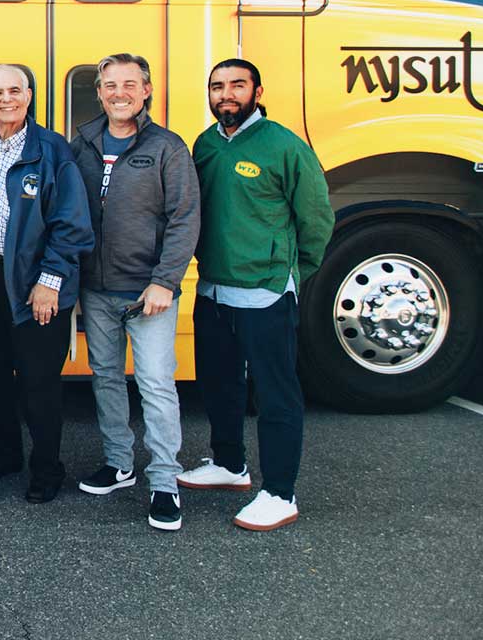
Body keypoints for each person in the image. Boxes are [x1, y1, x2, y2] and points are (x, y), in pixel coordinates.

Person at [179, 58, 334, 532]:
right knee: (219, 384)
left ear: (258, 91)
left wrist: (289, 272)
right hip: (214, 290)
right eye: (217, 86)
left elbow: (317, 220)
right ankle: (230, 465)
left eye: (237, 85)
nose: (226, 94)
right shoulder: (205, 145)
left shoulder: (285, 147)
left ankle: (280, 493)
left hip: (265, 293)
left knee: (275, 394)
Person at [68, 54, 200, 531]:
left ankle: (165, 482)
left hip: (149, 293)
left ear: (146, 90)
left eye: (129, 83)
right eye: (109, 85)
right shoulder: (81, 145)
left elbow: (185, 218)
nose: (118, 92)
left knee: (156, 384)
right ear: (99, 93)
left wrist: (165, 281)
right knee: (104, 376)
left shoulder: (166, 147)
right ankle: (119, 463)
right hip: (97, 290)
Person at [0, 64, 94, 503]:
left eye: (14, 91)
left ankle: (47, 469)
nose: (6, 99)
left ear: (29, 95)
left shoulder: (52, 150)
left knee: (39, 382)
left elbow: (72, 223)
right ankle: (5, 456)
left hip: (35, 281)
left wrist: (50, 281)